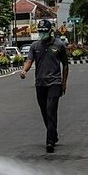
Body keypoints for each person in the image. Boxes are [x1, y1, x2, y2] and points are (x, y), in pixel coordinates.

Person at [19, 19, 69, 153]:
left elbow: (65, 64)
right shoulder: (35, 46)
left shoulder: (59, 45)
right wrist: (24, 71)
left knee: (50, 110)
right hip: (40, 83)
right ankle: (53, 133)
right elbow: (29, 61)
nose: (42, 34)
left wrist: (64, 83)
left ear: (50, 31)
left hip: (54, 83)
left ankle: (49, 141)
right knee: (44, 111)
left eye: (44, 32)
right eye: (40, 32)